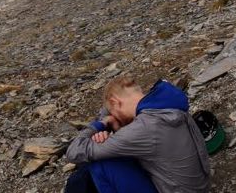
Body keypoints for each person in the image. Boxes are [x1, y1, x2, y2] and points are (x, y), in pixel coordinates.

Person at [64, 75, 211, 193]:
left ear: (115, 102)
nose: (114, 117)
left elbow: (74, 152)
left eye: (113, 112)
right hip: (197, 186)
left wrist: (100, 124)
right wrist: (116, 128)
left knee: (100, 164)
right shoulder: (167, 107)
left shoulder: (144, 127)